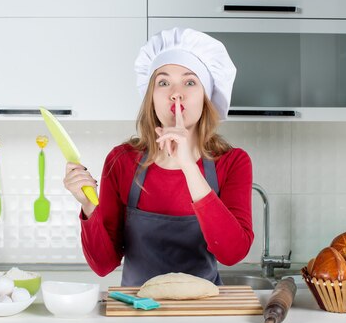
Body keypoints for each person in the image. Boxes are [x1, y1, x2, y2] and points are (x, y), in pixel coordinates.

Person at [63, 27, 254, 286]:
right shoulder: (122, 161)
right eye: (163, 82)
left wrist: (188, 165)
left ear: (206, 97)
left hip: (205, 315)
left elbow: (233, 253)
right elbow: (104, 264)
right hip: (137, 315)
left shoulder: (233, 162)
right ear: (151, 98)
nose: (176, 93)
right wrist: (87, 205)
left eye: (189, 82)